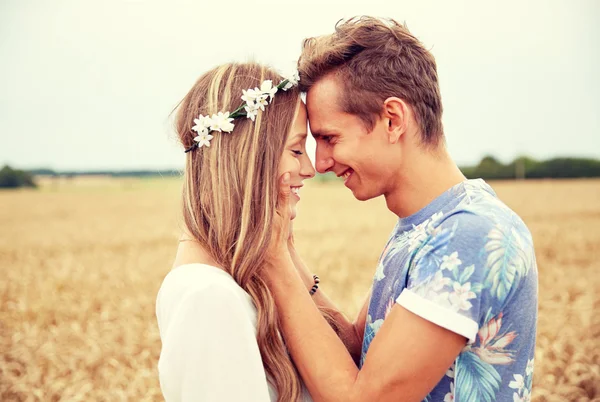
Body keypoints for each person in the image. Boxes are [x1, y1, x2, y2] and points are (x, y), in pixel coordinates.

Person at [265, 16, 539, 402]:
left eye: (330, 138)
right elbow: (356, 347)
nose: (321, 162)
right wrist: (286, 247)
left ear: (392, 120)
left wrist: (273, 263)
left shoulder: (468, 235)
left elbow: (364, 399)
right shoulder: (427, 225)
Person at [155, 62, 332, 402]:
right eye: (297, 150)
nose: (310, 169)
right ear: (249, 158)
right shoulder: (207, 298)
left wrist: (288, 256)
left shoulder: (234, 282)